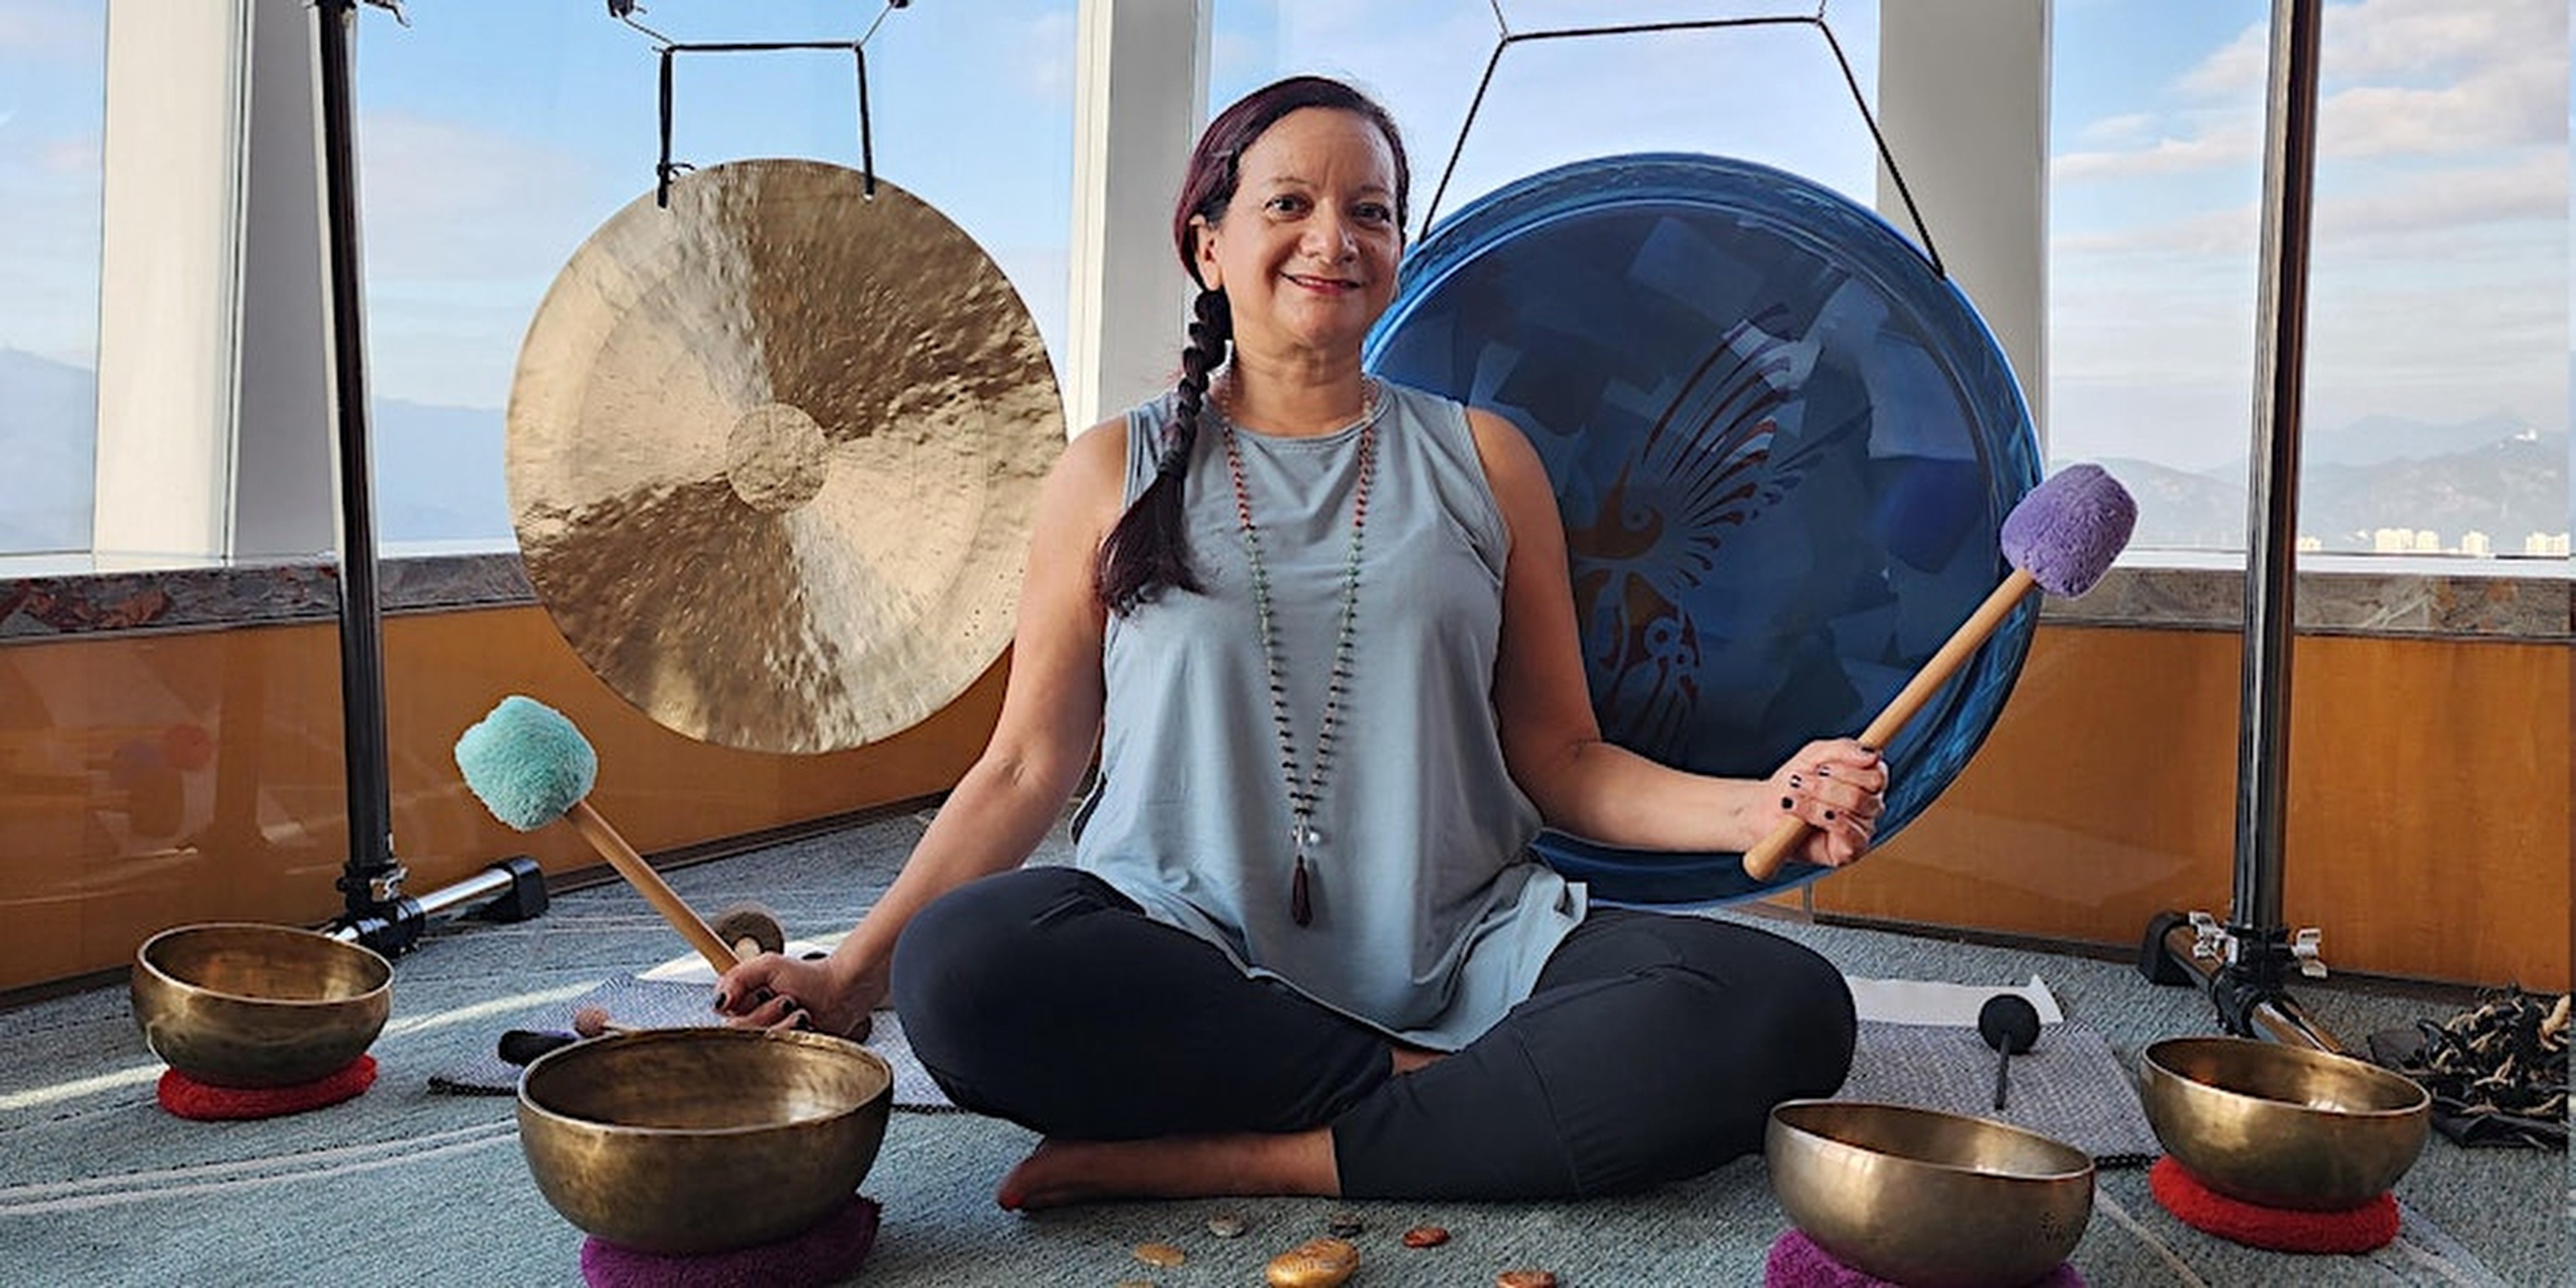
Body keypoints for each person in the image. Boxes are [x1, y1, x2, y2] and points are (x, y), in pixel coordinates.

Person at [716, 74, 1885, 1209]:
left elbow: (1564, 760)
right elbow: (1029, 764)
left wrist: (1757, 806)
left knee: (1786, 1008)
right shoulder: (1106, 472)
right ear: (1208, 243)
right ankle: (1455, 1110)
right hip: (1180, 952)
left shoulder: (1488, 461)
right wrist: (851, 972)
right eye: (1289, 204)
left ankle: (1238, 1155)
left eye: (1368, 211)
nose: (1334, 237)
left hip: (1469, 948)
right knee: (964, 970)